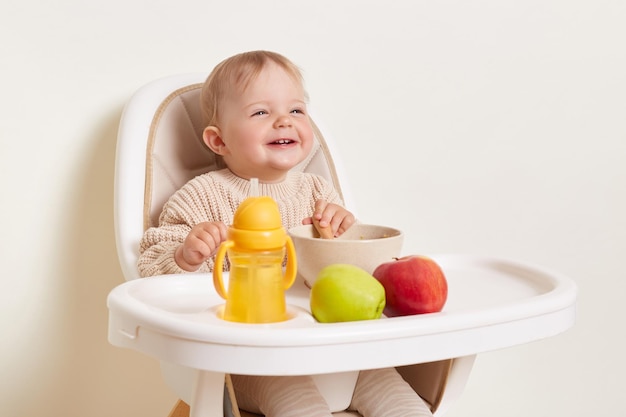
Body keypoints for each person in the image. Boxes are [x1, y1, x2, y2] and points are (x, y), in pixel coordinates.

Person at [138, 50, 433, 417]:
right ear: (218, 141)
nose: (284, 122)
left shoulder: (316, 192)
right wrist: (185, 254)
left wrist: (341, 233)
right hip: (246, 358)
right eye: (261, 112)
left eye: (296, 110)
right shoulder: (199, 197)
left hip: (327, 343)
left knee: (392, 389)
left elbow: (350, 278)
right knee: (297, 400)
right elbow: (148, 268)